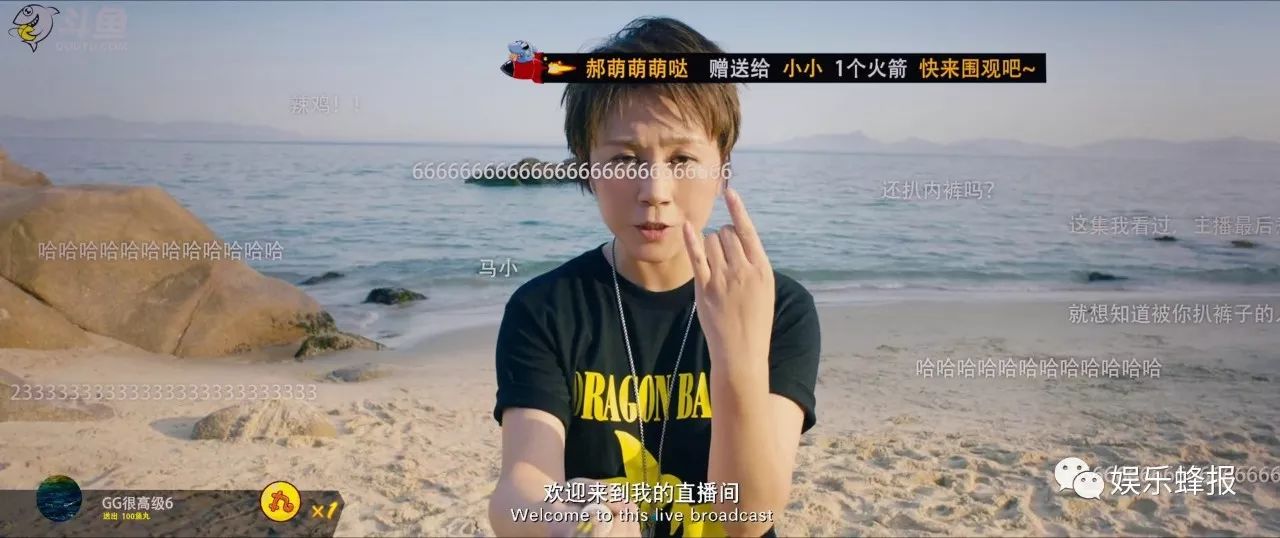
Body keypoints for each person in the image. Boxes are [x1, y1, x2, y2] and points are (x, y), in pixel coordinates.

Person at [487, 16, 821, 538]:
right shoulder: (546, 309)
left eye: (683, 158)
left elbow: (749, 517)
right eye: (624, 158)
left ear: (723, 166)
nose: (655, 191)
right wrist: (569, 523)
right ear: (587, 166)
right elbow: (520, 485)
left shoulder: (779, 306)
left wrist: (738, 354)